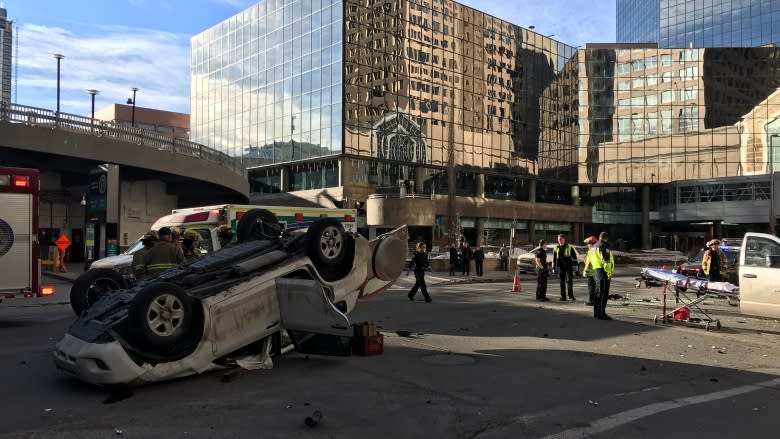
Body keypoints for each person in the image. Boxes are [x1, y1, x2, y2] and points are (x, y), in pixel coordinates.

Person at [591, 232, 615, 320]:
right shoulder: (604, 246)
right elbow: (606, 261)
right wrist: (609, 273)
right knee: (603, 293)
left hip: (596, 270)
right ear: (606, 238)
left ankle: (596, 312)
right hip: (603, 271)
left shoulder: (594, 246)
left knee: (597, 292)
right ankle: (602, 313)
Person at [553, 233, 578, 301]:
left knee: (569, 282)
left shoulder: (569, 247)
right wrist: (553, 267)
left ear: (564, 239)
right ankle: (563, 297)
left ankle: (571, 296)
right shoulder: (556, 248)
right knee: (562, 282)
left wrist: (575, 265)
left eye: (560, 239)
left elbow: (574, 257)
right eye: (558, 239)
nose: (559, 240)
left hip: (568, 267)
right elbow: (554, 258)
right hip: (560, 267)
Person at [581, 236, 598, 306]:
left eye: (588, 244)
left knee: (591, 287)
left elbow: (588, 262)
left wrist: (585, 270)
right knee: (595, 288)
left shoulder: (591, 251)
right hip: (596, 272)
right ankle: (596, 300)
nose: (587, 245)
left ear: (591, 244)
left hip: (591, 273)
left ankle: (592, 300)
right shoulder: (597, 250)